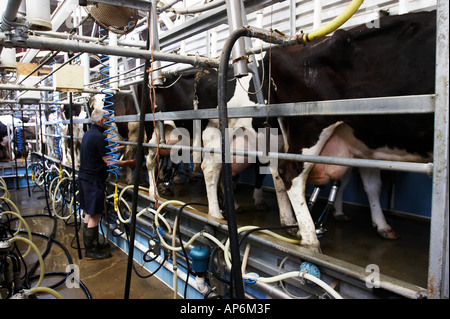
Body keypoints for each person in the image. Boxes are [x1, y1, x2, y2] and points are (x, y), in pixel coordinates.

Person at [78, 108, 135, 260]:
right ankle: (90, 251)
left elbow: (100, 151)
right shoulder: (100, 137)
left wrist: (120, 147)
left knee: (88, 213)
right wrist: (129, 162)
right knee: (95, 214)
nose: (110, 122)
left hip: (84, 179)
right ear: (102, 121)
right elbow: (110, 162)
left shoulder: (89, 134)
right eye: (108, 119)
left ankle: (92, 245)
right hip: (93, 180)